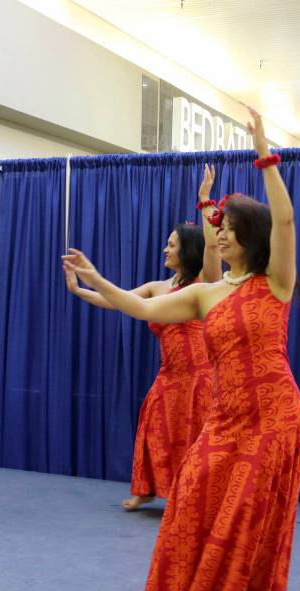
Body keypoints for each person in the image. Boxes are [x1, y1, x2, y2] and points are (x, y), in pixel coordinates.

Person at [63, 107, 300, 591]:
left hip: (275, 414)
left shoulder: (276, 283)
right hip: (226, 417)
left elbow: (285, 219)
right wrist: (96, 278)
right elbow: (144, 308)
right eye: (218, 228)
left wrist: (265, 155)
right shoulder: (206, 295)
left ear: (253, 239)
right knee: (196, 491)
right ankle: (195, 583)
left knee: (247, 503)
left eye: (231, 229)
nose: (219, 236)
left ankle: (238, 590)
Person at [65, 165, 221, 511]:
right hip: (169, 377)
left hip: (199, 380)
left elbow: (213, 251)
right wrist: (80, 290)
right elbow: (118, 299)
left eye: (172, 245)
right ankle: (147, 489)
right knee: (153, 430)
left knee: (194, 437)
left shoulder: (206, 284)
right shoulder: (157, 287)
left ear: (187, 252)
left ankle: (193, 495)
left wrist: (206, 202)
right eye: (166, 244)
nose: (165, 250)